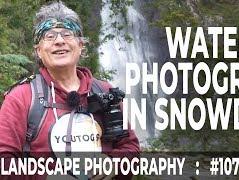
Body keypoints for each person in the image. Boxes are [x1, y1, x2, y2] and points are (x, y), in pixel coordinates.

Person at [0, 1, 139, 179]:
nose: (59, 41)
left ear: (81, 45)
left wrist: (113, 164)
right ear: (39, 50)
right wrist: (47, 177)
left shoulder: (105, 92)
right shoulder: (22, 97)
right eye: (49, 36)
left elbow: (131, 148)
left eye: (67, 34)